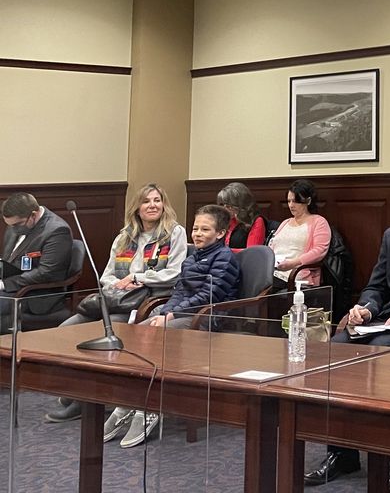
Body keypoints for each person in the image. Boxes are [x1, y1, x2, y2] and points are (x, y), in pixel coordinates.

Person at [304, 171, 390, 486]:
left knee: (383, 355)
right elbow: (377, 286)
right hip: (386, 320)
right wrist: (366, 308)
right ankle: (342, 452)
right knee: (336, 349)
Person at [101, 204, 241, 449]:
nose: (197, 233)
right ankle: (130, 401)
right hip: (183, 314)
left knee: (158, 335)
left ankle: (152, 406)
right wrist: (166, 312)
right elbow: (179, 291)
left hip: (209, 316)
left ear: (220, 233)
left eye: (205, 229)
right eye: (195, 228)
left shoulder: (225, 258)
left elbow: (210, 295)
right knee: (139, 333)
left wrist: (172, 315)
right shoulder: (192, 257)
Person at [45, 183, 187, 424]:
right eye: (146, 201)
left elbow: (174, 273)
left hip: (146, 301)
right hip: (117, 298)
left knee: (103, 337)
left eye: (157, 200)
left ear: (164, 205)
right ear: (137, 207)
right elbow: (107, 276)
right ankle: (76, 388)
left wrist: (137, 278)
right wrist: (120, 284)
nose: (152, 205)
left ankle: (84, 401)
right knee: (64, 331)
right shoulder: (125, 236)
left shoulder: (174, 232)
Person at [1, 193, 73, 332]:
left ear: (33, 215)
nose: (13, 229)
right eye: (9, 225)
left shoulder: (57, 230)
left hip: (36, 294)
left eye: (16, 225)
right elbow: (10, 259)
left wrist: (5, 284)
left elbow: (46, 273)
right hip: (13, 284)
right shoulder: (18, 222)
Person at [268, 179, 330, 291]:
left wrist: (292, 263)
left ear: (308, 201)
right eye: (289, 201)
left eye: (296, 201)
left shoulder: (318, 222)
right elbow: (271, 246)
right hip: (274, 271)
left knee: (260, 285)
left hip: (296, 275)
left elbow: (319, 251)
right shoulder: (285, 222)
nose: (291, 205)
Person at [216, 181, 266, 251]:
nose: (225, 209)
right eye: (222, 205)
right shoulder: (224, 220)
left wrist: (223, 252)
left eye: (229, 205)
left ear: (241, 204)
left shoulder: (256, 221)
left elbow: (252, 252)